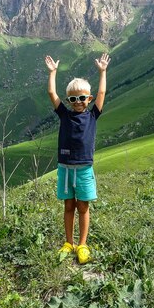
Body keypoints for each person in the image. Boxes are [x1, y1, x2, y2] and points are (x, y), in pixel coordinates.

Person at [44, 53, 111, 264]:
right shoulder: (64, 114)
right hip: (65, 168)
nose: (78, 102)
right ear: (68, 101)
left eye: (82, 98)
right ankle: (68, 242)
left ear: (88, 99)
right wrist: (53, 72)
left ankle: (82, 244)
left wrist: (103, 71)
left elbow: (102, 91)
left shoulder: (92, 115)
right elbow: (51, 92)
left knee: (83, 207)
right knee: (68, 206)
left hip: (83, 169)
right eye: (73, 99)